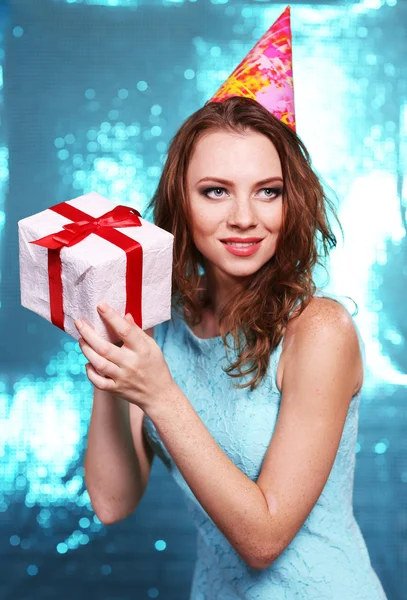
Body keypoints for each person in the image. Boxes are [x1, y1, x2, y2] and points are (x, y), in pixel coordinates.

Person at [78, 7, 388, 599]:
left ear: (290, 203)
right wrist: (110, 359)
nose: (244, 217)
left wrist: (159, 392)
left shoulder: (320, 331)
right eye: (215, 191)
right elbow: (114, 502)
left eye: (267, 192)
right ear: (182, 203)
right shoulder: (160, 328)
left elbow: (264, 536)